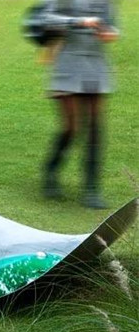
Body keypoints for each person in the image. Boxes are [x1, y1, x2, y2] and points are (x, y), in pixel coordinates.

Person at [41, 0, 119, 208]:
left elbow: (113, 26)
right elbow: (46, 19)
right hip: (68, 63)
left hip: (96, 64)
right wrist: (80, 21)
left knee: (95, 126)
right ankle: (51, 170)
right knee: (71, 128)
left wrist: (110, 33)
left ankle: (91, 189)